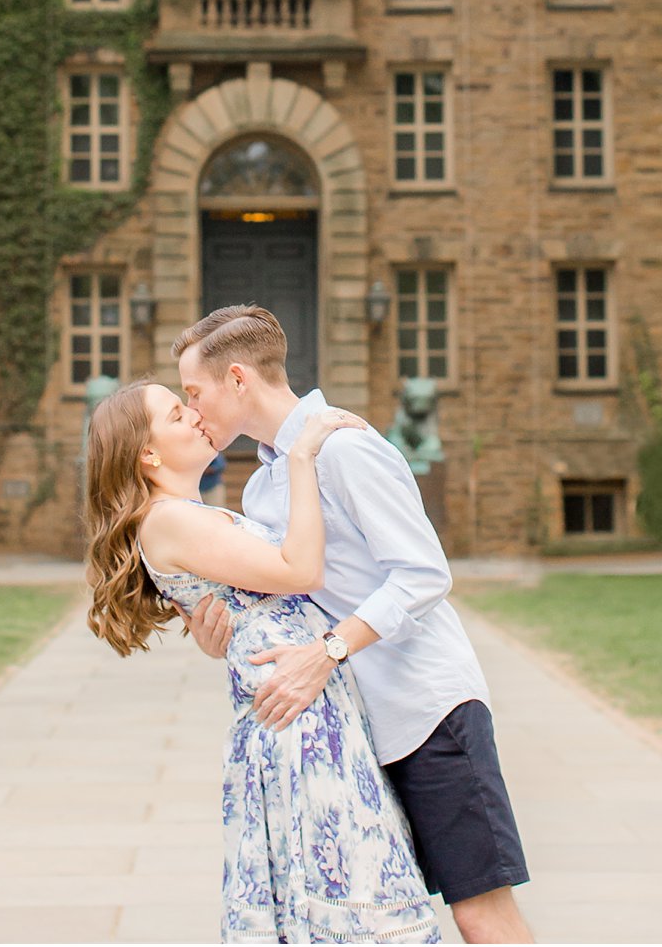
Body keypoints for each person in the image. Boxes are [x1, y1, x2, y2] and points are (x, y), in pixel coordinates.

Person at [177, 306, 533, 946]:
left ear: (237, 379)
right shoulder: (262, 486)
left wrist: (330, 650)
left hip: (428, 712)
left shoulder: (346, 448)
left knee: (482, 915)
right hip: (354, 731)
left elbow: (424, 574)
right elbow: (295, 597)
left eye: (193, 393)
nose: (191, 410)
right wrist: (221, 634)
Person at [84, 379, 442, 945]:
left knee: (340, 899)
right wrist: (302, 453)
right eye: (178, 414)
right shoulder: (169, 520)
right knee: (347, 902)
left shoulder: (181, 514)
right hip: (297, 723)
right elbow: (301, 571)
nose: (196, 415)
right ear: (147, 453)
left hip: (303, 706)